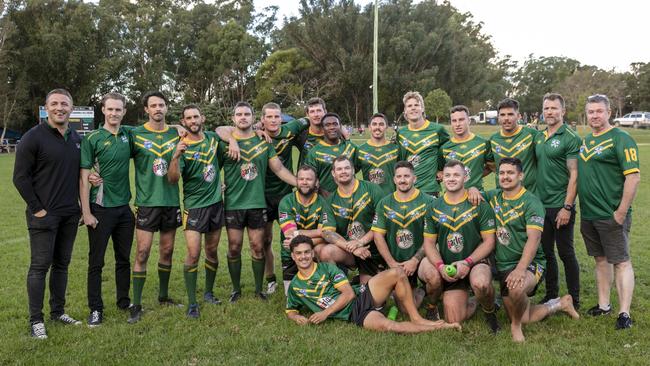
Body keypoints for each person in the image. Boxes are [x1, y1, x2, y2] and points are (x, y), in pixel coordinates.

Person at [13, 88, 83, 339]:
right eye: (54, 104)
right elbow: (20, 178)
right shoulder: (33, 137)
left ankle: (58, 311)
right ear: (46, 108)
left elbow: (79, 174)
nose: (59, 108)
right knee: (40, 266)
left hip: (69, 214)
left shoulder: (76, 138)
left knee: (62, 265)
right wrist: (38, 208)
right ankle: (36, 320)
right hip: (43, 215)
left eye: (64, 104)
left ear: (71, 109)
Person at [285, 235, 461, 333]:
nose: (303, 257)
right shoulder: (295, 286)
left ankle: (416, 317)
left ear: (312, 253)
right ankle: (440, 328)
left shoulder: (326, 269)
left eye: (307, 252)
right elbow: (290, 309)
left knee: (397, 273)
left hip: (362, 295)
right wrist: (295, 317)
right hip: (354, 315)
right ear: (293, 256)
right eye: (299, 253)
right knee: (389, 326)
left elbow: (348, 294)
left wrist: (325, 313)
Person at [486, 158, 579, 342]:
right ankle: (560, 304)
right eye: (502, 173)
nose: (505, 177)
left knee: (516, 290)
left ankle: (515, 327)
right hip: (504, 265)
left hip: (530, 264)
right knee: (525, 315)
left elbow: (534, 238)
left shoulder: (531, 202)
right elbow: (471, 195)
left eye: (510, 173)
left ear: (521, 175)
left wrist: (521, 269)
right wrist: (472, 190)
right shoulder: (493, 197)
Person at [218, 101, 297, 303]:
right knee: (234, 247)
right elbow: (211, 167)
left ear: (254, 119)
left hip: (257, 203)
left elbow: (279, 169)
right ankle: (236, 289)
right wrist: (216, 186)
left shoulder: (264, 142)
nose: (243, 117)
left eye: (246, 114)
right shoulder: (225, 142)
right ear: (233, 118)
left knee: (257, 245)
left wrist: (300, 183)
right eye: (239, 114)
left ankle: (258, 288)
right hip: (233, 204)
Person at [578, 94, 640, 329]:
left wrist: (621, 212)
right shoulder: (586, 140)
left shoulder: (621, 138)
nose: (594, 115)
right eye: (591, 111)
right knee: (600, 259)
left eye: (599, 111)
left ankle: (625, 313)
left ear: (609, 112)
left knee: (621, 261)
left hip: (611, 213)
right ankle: (604, 305)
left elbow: (633, 177)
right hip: (589, 214)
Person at [419, 160, 500, 333]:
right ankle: (451, 303)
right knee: (453, 318)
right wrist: (440, 266)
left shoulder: (479, 204)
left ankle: (489, 311)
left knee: (481, 284)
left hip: (474, 262)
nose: (451, 179)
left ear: (465, 177)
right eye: (447, 175)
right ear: (442, 178)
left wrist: (467, 262)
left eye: (456, 175)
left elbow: (489, 242)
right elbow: (429, 244)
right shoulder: (434, 207)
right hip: (449, 266)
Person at [127, 91, 183, 324]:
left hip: (170, 201)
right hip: (147, 202)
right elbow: (114, 155)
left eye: (161, 105)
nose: (158, 108)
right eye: (153, 105)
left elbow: (217, 131)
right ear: (146, 110)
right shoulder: (135, 134)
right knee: (142, 252)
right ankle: (136, 304)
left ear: (166, 109)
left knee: (167, 251)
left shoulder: (177, 133)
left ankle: (163, 296)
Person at [79, 92, 134, 327]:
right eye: (110, 109)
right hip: (100, 209)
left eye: (118, 109)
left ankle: (123, 301)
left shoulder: (129, 135)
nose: (114, 113)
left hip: (124, 210)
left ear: (124, 112)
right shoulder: (92, 138)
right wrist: (86, 212)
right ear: (103, 110)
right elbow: (83, 177)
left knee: (123, 260)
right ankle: (95, 309)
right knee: (96, 262)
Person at [168, 105, 224, 318]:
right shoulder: (181, 146)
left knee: (212, 251)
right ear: (183, 122)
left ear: (203, 117)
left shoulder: (212, 138)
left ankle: (209, 293)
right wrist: (174, 157)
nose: (193, 120)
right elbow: (173, 180)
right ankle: (192, 303)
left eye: (196, 116)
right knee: (193, 253)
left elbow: (226, 133)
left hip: (216, 204)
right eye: (188, 118)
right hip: (194, 208)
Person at [534, 93, 582, 309]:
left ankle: (574, 298)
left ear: (563, 111)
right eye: (546, 108)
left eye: (554, 108)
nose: (550, 112)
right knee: (545, 252)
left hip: (560, 205)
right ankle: (551, 294)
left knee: (566, 252)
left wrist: (567, 207)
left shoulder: (570, 137)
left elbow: (575, 174)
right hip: (540, 205)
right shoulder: (539, 136)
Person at [257, 103, 309, 295]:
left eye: (276, 116)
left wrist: (343, 129)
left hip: (286, 195)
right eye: (268, 117)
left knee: (291, 238)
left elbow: (313, 117)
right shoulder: (256, 136)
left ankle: (296, 278)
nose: (273, 120)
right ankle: (271, 279)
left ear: (282, 118)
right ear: (262, 119)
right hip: (261, 196)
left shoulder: (291, 129)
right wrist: (255, 129)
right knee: (265, 240)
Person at [371, 161, 433, 308]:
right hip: (397, 262)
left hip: (421, 259)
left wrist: (415, 260)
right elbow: (378, 236)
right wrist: (391, 263)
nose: (403, 180)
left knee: (433, 276)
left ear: (414, 178)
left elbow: (432, 238)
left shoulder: (429, 202)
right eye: (399, 177)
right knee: (405, 308)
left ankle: (432, 300)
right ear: (394, 180)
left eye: (406, 176)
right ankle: (420, 291)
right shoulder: (384, 203)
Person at [320, 156, 385, 284]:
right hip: (350, 250)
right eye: (339, 169)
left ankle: (372, 274)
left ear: (353, 170)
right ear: (333, 173)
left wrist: (360, 242)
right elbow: (327, 232)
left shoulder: (372, 189)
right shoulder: (330, 200)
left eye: (346, 168)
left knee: (370, 294)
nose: (343, 171)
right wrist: (353, 248)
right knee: (326, 251)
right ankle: (339, 288)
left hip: (374, 248)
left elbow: (382, 225)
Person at [277, 165, 329, 294]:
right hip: (291, 253)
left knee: (316, 294)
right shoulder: (286, 201)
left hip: (314, 252)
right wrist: (318, 234)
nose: (304, 182)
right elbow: (290, 235)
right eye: (301, 179)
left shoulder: (324, 203)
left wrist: (298, 233)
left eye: (309, 179)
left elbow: (326, 233)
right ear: (296, 181)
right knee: (292, 297)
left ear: (316, 182)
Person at [395, 91, 449, 197]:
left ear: (422, 108)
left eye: (416, 105)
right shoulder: (401, 133)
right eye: (409, 106)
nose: (413, 108)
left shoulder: (438, 130)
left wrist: (443, 169)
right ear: (405, 111)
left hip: (429, 188)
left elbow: (450, 151)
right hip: (407, 188)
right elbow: (400, 160)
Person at [441, 105, 492, 202]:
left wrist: (476, 175)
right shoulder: (444, 148)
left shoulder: (483, 143)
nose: (458, 124)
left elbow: (492, 167)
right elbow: (440, 172)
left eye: (461, 120)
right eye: (454, 121)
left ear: (468, 121)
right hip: (451, 198)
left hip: (476, 197)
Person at [489, 98, 539, 192]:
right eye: (502, 115)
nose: (506, 118)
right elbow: (490, 166)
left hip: (529, 196)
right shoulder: (493, 140)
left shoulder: (532, 135)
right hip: (503, 198)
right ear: (498, 117)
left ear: (519, 116)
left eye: (510, 114)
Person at [304, 113, 357, 194]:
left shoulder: (351, 147)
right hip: (326, 199)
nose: (332, 127)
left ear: (340, 126)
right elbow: (310, 179)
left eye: (335, 124)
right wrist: (323, 193)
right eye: (327, 125)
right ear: (322, 128)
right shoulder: (314, 152)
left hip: (351, 198)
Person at [356, 113, 399, 196]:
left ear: (386, 127)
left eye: (381, 124)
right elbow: (351, 175)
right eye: (374, 124)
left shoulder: (395, 148)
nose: (377, 127)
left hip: (390, 199)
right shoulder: (360, 150)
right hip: (369, 200)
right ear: (369, 127)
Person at [296, 97, 327, 167]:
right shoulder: (301, 135)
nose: (316, 115)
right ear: (307, 114)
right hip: (305, 177)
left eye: (319, 110)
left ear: (325, 112)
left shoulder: (334, 135)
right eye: (312, 111)